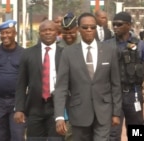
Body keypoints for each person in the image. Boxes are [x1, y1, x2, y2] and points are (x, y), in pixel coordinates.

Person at [54, 12, 122, 141]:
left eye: (92, 27)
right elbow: (61, 87)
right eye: (85, 27)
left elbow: (115, 84)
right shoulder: (68, 53)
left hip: (103, 112)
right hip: (78, 113)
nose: (89, 30)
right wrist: (59, 116)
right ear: (79, 29)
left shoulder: (109, 51)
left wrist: (116, 113)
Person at [13, 20, 64, 141]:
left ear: (56, 32)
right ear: (39, 33)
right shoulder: (28, 54)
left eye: (50, 30)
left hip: (56, 107)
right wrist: (19, 109)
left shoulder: (65, 54)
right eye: (44, 30)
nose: (47, 33)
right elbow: (21, 84)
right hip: (34, 107)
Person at [108, 11, 144, 141]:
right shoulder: (106, 45)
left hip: (134, 94)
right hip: (113, 95)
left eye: (119, 24)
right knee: (113, 133)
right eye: (113, 24)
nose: (115, 27)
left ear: (128, 25)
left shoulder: (141, 46)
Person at [57, 12, 81, 141]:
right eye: (65, 33)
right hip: (64, 96)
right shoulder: (58, 47)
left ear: (76, 30)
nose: (68, 36)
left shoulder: (84, 45)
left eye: (71, 32)